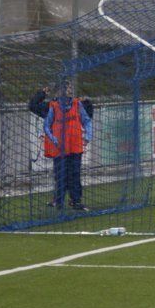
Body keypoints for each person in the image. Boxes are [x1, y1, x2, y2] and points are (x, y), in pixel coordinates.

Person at [38, 81, 93, 211]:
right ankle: (59, 201)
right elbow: (47, 125)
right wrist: (53, 138)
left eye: (70, 88)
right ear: (60, 91)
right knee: (60, 175)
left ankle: (76, 201)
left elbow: (86, 120)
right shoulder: (54, 106)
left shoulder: (76, 104)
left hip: (75, 146)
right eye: (68, 88)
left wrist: (88, 136)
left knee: (75, 174)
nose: (70, 90)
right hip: (60, 148)